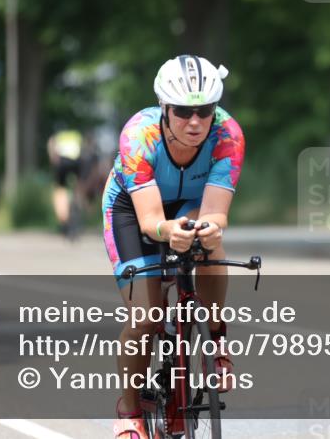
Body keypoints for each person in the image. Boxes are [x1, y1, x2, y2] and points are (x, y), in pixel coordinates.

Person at [102, 55, 244, 439]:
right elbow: (151, 222)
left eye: (204, 111)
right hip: (133, 209)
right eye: (183, 111)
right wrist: (168, 233)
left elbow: (217, 213)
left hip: (190, 205)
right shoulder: (139, 135)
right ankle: (129, 413)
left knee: (212, 243)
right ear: (164, 107)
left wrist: (209, 231)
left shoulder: (227, 135)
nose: (195, 122)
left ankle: (216, 343)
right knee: (146, 317)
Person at [47, 128, 84, 236]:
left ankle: (63, 218)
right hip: (76, 163)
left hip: (62, 162)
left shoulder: (58, 134)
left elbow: (51, 144)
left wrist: (52, 159)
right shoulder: (76, 134)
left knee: (60, 190)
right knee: (78, 187)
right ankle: (77, 205)